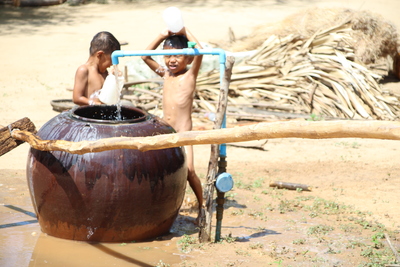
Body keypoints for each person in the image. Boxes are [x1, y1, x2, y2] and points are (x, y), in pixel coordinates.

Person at [142, 27, 204, 223]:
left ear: (188, 59)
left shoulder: (190, 75)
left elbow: (200, 51)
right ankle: (160, 206)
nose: (172, 60)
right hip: (165, 131)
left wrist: (186, 33)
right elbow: (145, 56)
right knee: (159, 168)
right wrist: (162, 34)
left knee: (190, 171)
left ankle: (203, 206)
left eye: (177, 55)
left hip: (185, 133)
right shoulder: (165, 74)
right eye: (168, 55)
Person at [73, 31, 121, 106]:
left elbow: (108, 96)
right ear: (100, 55)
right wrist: (97, 105)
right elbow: (77, 98)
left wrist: (114, 79)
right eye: (112, 59)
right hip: (88, 115)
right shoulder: (84, 70)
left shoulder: (105, 72)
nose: (112, 64)